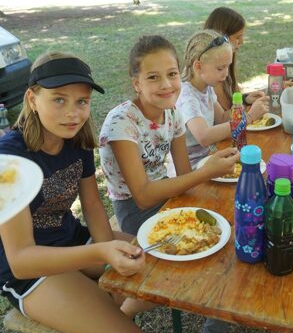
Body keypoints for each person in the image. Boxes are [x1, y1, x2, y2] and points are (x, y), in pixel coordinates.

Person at [0, 52, 149, 333]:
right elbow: (20, 260)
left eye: (82, 101)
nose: (73, 113)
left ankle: (114, 311)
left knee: (162, 268)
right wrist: (99, 253)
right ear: (32, 99)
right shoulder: (9, 160)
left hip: (72, 239)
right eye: (59, 99)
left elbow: (92, 204)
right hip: (31, 270)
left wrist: (109, 254)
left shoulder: (77, 140)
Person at [99, 35, 240, 235]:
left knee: (229, 215)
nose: (166, 84)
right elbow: (143, 196)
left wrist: (212, 167)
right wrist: (206, 172)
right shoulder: (121, 123)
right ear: (137, 84)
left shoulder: (173, 114)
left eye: (172, 74)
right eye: (153, 77)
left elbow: (184, 175)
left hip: (170, 192)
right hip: (135, 210)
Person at [176, 29, 268, 168]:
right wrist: (249, 117)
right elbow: (204, 137)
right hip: (193, 167)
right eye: (220, 68)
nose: (226, 74)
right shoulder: (186, 96)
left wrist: (243, 102)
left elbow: (223, 118)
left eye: (228, 67)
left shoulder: (206, 87)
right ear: (198, 66)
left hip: (210, 156)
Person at [204, 7, 267, 111]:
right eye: (237, 37)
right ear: (222, 38)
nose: (242, 41)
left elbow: (229, 104)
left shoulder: (222, 66)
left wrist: (244, 100)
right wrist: (250, 115)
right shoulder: (210, 77)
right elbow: (223, 116)